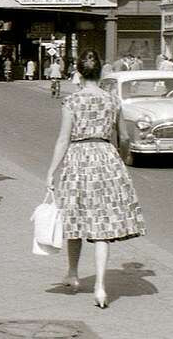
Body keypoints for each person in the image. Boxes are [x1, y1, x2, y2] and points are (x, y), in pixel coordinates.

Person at [44, 50, 146, 309]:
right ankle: (100, 286)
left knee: (76, 218)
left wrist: (51, 171)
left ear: (78, 73)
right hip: (105, 158)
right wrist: (120, 158)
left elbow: (62, 139)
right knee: (103, 225)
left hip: (78, 158)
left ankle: (73, 273)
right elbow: (123, 137)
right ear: (101, 73)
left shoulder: (72, 102)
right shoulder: (113, 101)